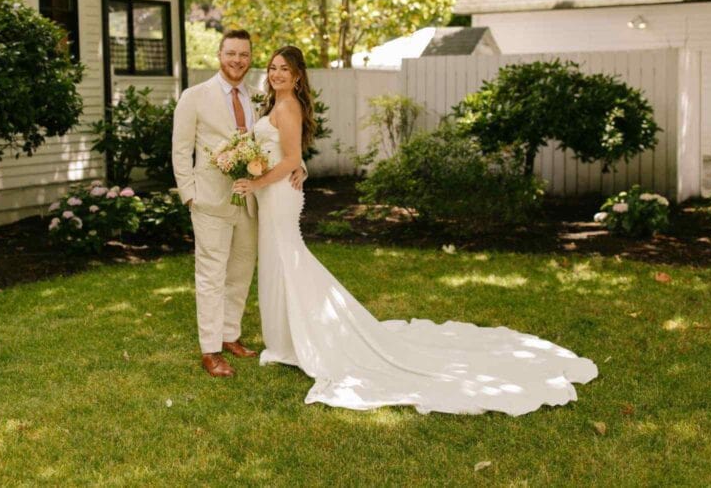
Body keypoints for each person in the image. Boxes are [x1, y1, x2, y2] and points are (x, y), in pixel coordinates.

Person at [232, 46, 599, 415]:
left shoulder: (289, 106)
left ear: (297, 76)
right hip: (274, 194)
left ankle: (296, 343)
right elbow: (286, 157)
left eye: (285, 69)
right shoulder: (273, 106)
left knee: (288, 262)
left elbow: (293, 159)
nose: (277, 73)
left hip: (279, 195)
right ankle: (285, 341)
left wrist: (257, 181)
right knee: (281, 263)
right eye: (273, 68)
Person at [171, 30, 304, 377]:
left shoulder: (256, 98)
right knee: (211, 275)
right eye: (231, 53)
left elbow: (275, 142)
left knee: (242, 270)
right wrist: (189, 193)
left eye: (244, 55)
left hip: (250, 202)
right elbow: (181, 149)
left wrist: (299, 166)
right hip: (210, 201)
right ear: (219, 55)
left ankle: (230, 335)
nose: (238, 61)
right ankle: (210, 349)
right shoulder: (194, 96)